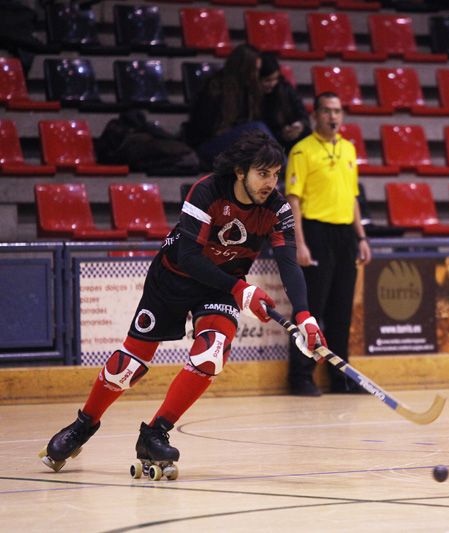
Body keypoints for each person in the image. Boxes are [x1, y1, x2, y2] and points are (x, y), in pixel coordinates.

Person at [39, 131, 326, 475]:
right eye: (263, 174)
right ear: (240, 171)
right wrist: (241, 289)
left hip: (219, 288)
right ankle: (84, 424)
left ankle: (155, 432)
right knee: (126, 367)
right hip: (173, 277)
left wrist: (305, 315)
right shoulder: (206, 191)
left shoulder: (277, 208)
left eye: (276, 174)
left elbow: (288, 261)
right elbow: (189, 256)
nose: (270, 183)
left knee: (212, 353)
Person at [285, 92, 372, 396]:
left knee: (341, 311)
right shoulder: (301, 151)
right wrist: (300, 243)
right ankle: (300, 376)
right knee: (311, 309)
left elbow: (353, 198)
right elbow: (293, 200)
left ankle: (341, 377)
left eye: (337, 111)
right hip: (316, 232)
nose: (333, 117)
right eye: (327, 111)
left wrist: (361, 237)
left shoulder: (348, 149)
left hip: (344, 234)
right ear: (315, 115)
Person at [185, 44, 272, 169]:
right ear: (243, 68)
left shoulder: (250, 90)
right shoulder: (215, 87)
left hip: (236, 143)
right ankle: (282, 165)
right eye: (254, 70)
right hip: (209, 146)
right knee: (257, 128)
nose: (256, 75)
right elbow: (202, 128)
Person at [259, 53, 311, 153]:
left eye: (275, 79)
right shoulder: (254, 97)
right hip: (269, 144)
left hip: (293, 138)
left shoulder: (285, 88)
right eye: (267, 80)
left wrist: (299, 125)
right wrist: (281, 135)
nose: (272, 84)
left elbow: (302, 113)